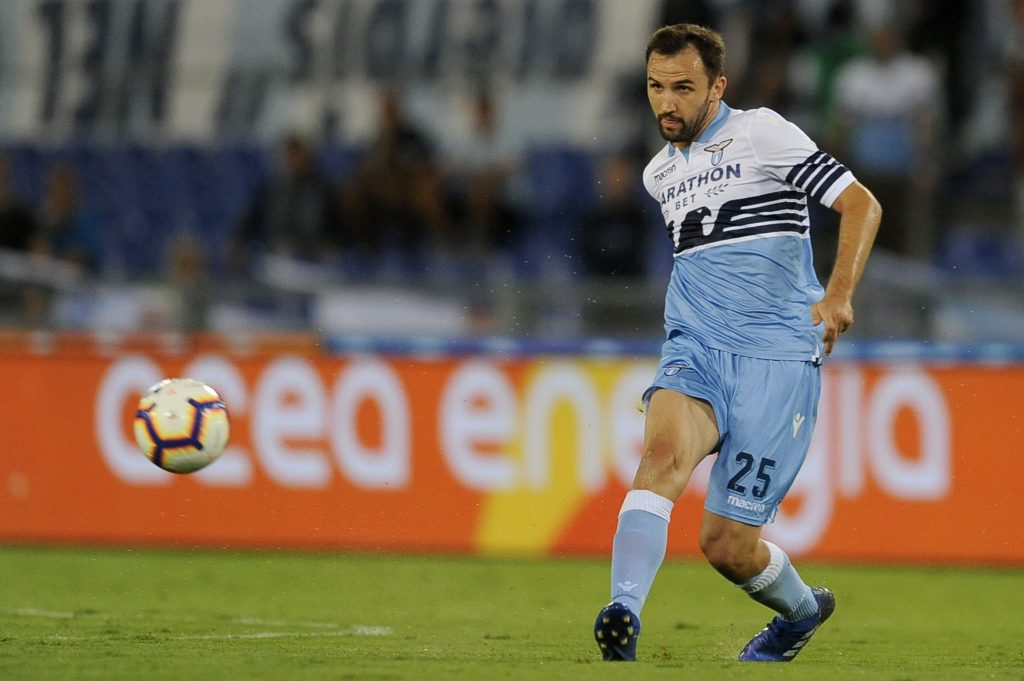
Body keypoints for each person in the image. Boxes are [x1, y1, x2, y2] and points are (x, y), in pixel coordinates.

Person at [593, 24, 881, 663]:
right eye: (655, 87)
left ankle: (800, 614)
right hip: (695, 346)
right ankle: (623, 614)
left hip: (777, 360)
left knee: (726, 545)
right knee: (660, 458)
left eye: (683, 88)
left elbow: (862, 205)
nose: (667, 102)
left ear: (717, 87)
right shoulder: (658, 174)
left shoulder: (761, 132)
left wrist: (838, 294)